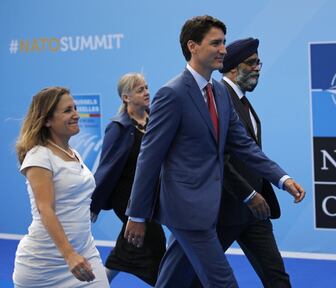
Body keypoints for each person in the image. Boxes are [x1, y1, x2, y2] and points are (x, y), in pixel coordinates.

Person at [124, 15, 305, 288]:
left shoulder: (218, 94)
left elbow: (243, 145)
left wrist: (282, 179)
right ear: (193, 46)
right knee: (223, 283)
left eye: (224, 43)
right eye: (216, 43)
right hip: (186, 210)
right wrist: (136, 215)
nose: (223, 49)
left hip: (210, 209)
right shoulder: (171, 94)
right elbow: (149, 157)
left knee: (172, 281)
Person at [13, 87, 109, 287]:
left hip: (85, 252)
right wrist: (69, 254)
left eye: (75, 108)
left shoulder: (74, 154)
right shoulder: (39, 156)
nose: (76, 115)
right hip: (43, 265)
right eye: (67, 111)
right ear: (47, 120)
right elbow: (44, 208)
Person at [216, 37, 291, 287]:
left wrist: (282, 180)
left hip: (255, 211)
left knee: (277, 277)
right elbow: (220, 159)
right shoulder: (218, 99)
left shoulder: (242, 100)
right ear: (234, 67)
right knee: (194, 276)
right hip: (225, 208)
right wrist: (248, 194)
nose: (258, 67)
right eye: (252, 62)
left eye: (259, 62)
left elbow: (252, 153)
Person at [90, 73, 166, 285]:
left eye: (147, 87)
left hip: (150, 194)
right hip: (126, 198)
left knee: (130, 243)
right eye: (140, 90)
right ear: (126, 97)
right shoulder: (118, 127)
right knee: (154, 239)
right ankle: (164, 281)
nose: (147, 92)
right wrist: (94, 203)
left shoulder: (155, 119)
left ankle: (99, 282)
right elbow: (106, 168)